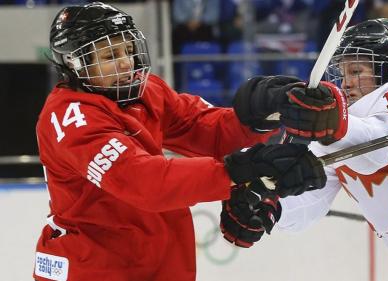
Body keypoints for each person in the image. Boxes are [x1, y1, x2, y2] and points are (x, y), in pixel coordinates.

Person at [33, 2, 343, 281]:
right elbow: (144, 181)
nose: (126, 63)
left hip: (154, 260)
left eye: (128, 50)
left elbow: (206, 129)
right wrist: (239, 172)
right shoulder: (70, 117)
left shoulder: (147, 91)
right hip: (92, 268)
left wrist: (269, 109)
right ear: (73, 64)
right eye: (110, 56)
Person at [220, 18, 388, 281]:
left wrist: (330, 122)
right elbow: (307, 205)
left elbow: (376, 147)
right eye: (343, 73)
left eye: (356, 71)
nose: (347, 83)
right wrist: (270, 206)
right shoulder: (341, 132)